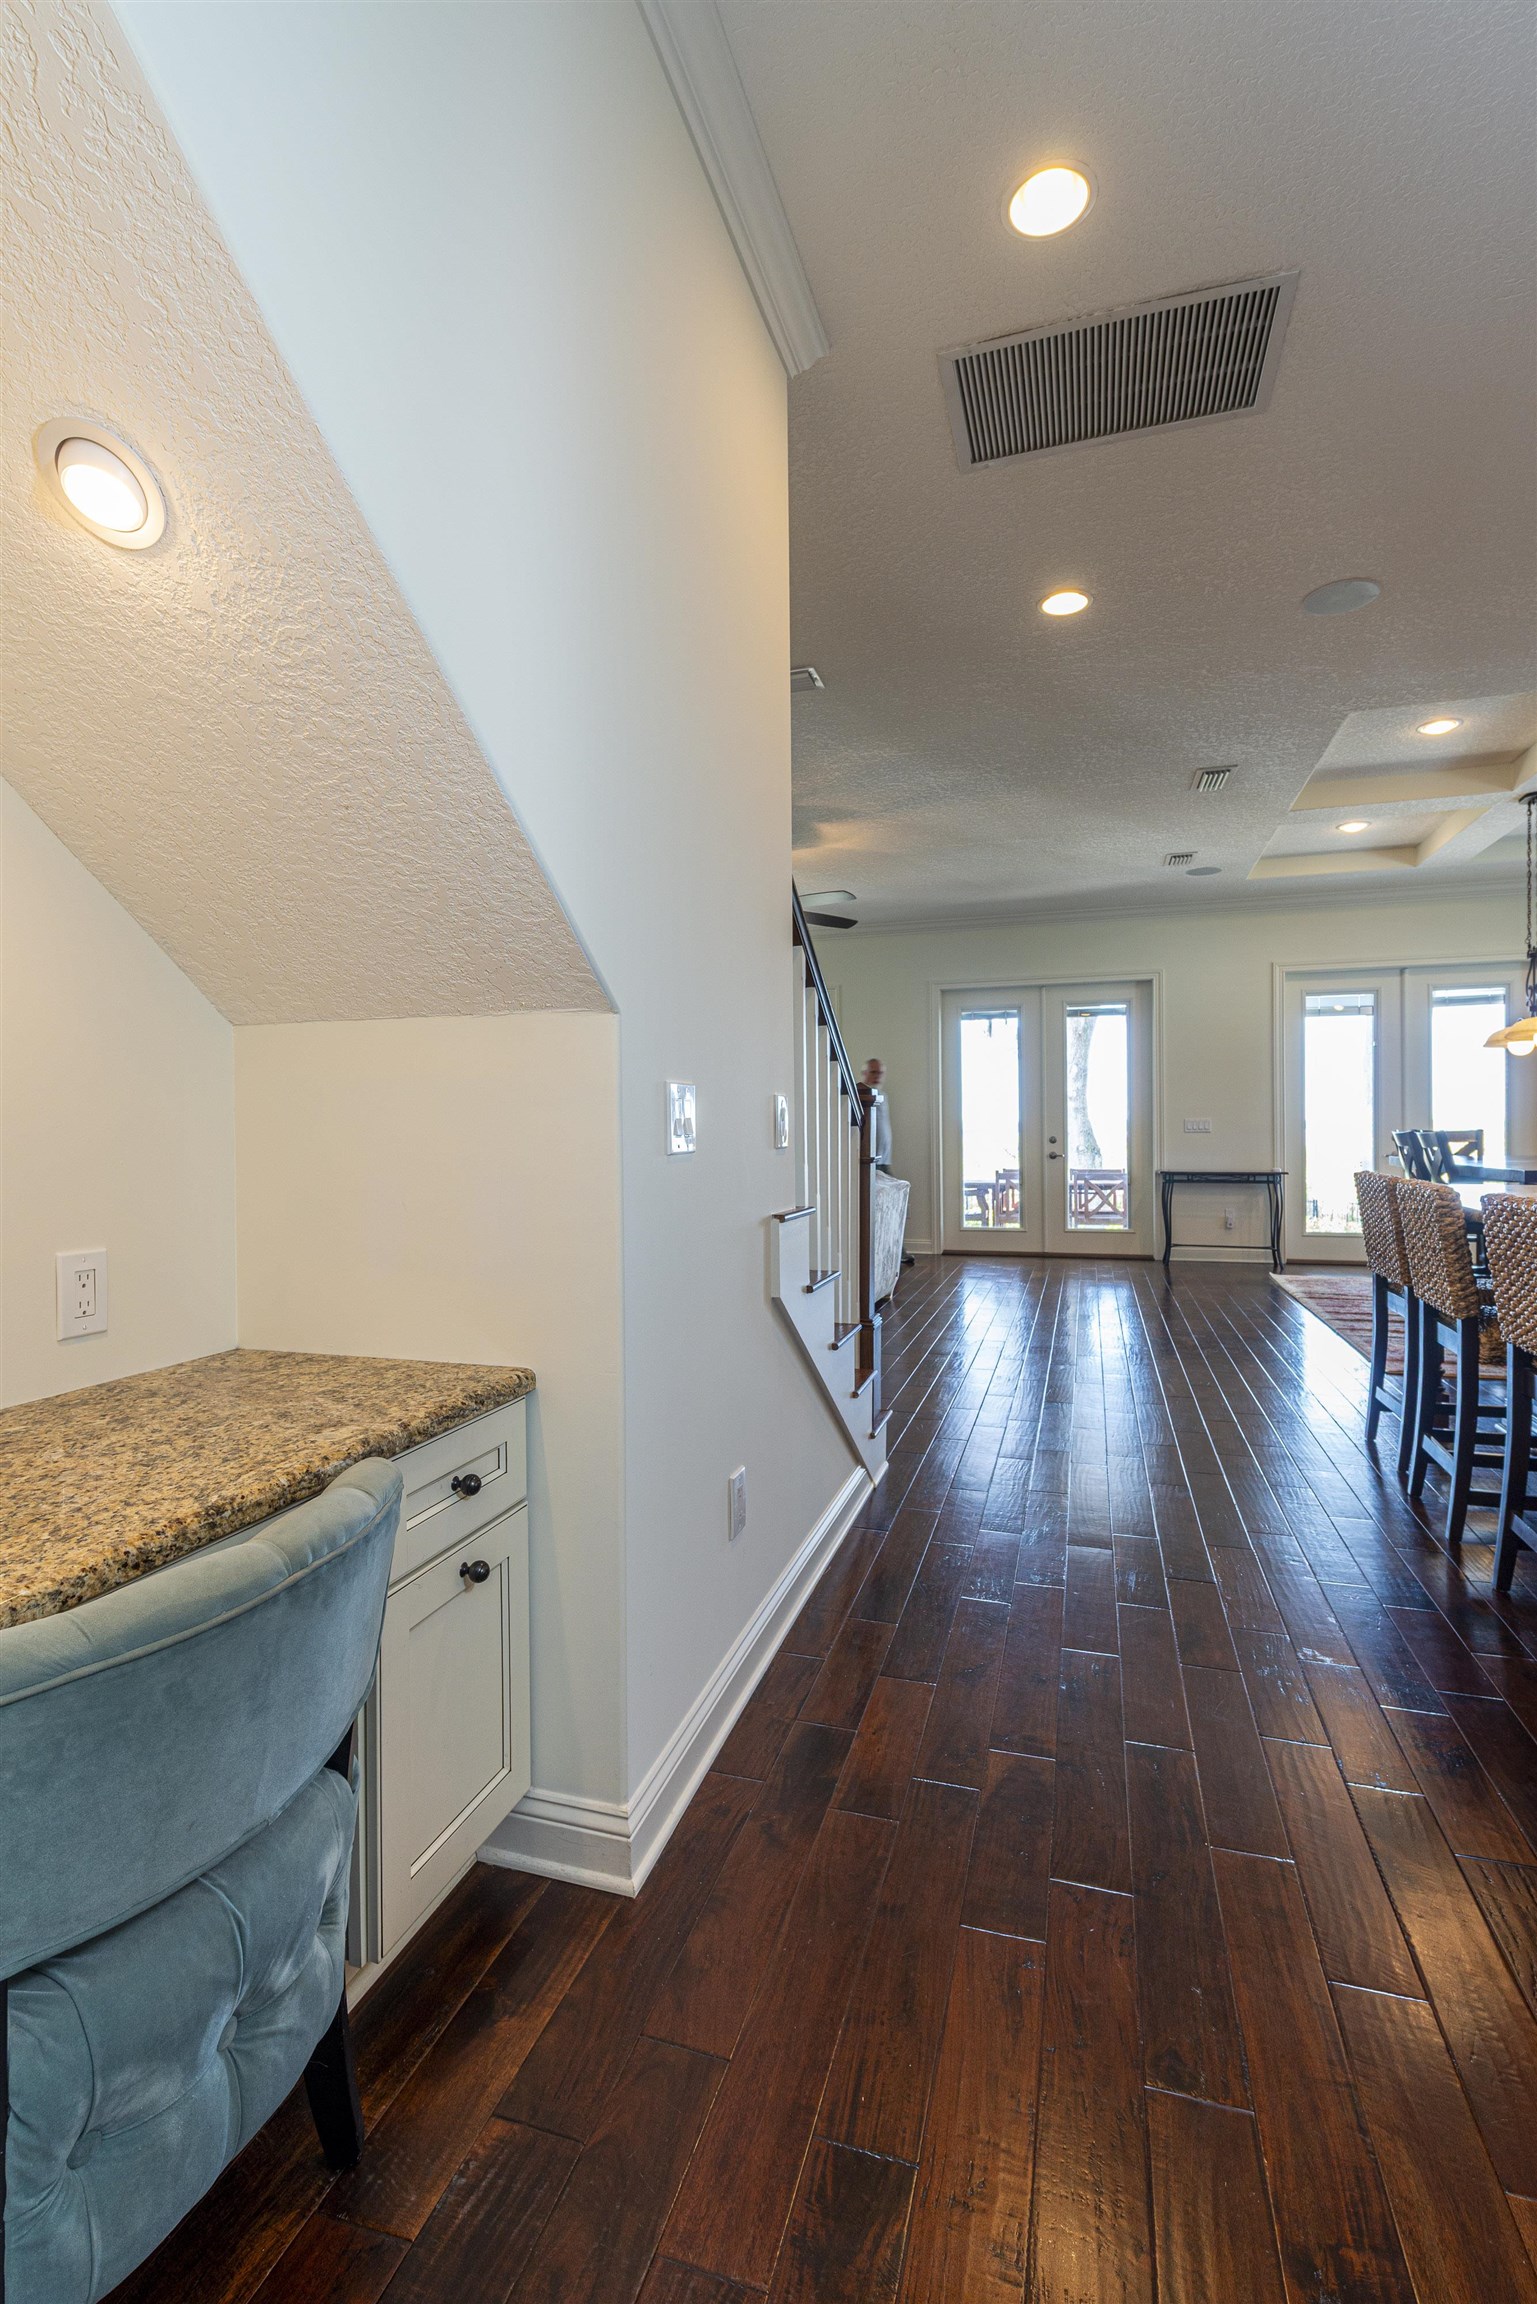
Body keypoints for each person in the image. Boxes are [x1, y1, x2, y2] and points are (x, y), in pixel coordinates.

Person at [860, 1057, 893, 1171]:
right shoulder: (859, 1097)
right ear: (864, 1073)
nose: (877, 1076)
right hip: (869, 1160)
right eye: (873, 1072)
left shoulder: (883, 1096)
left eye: (880, 1073)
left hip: (884, 1159)